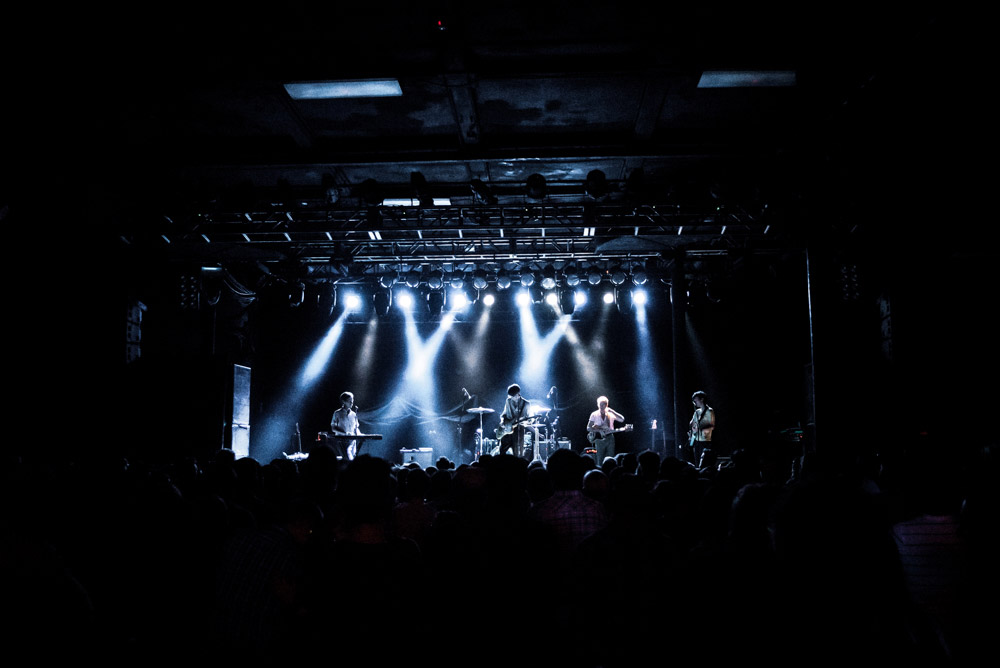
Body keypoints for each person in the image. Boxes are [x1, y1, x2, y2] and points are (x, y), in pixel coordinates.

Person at [587, 395, 626, 466]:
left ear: (606, 405)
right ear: (598, 405)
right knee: (600, 459)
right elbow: (588, 428)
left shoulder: (610, 414)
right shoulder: (594, 414)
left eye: (603, 404)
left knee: (610, 459)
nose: (601, 406)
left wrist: (612, 411)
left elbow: (622, 419)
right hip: (599, 439)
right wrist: (599, 430)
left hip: (610, 438)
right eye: (600, 404)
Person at [497, 383, 530, 457]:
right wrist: (502, 422)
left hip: (518, 431)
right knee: (502, 451)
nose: (511, 398)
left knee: (517, 454)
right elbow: (503, 414)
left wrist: (525, 421)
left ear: (518, 394)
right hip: (507, 431)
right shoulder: (508, 401)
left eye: (513, 396)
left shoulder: (526, 404)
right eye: (510, 396)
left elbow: (529, 420)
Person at [330, 391, 362, 460]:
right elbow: (333, 428)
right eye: (349, 401)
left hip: (352, 441)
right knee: (347, 458)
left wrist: (360, 434)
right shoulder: (337, 413)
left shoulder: (354, 414)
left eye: (352, 401)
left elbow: (356, 427)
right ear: (343, 401)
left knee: (353, 458)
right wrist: (345, 433)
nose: (351, 403)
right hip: (341, 441)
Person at [688, 390, 715, 468]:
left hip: (705, 441)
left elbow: (710, 426)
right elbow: (692, 423)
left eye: (696, 399)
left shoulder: (709, 411)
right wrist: (692, 425)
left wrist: (698, 427)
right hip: (696, 441)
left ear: (702, 399)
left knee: (704, 463)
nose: (694, 401)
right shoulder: (697, 412)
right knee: (697, 462)